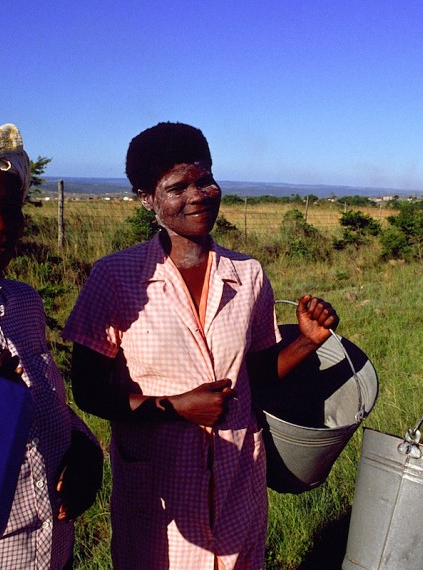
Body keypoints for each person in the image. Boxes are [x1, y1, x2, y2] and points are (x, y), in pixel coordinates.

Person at [63, 121, 339, 570]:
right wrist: (173, 406)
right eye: (178, 187)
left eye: (205, 179)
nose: (199, 194)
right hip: (159, 490)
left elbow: (256, 376)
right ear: (146, 198)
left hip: (238, 485)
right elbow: (89, 391)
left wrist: (307, 343)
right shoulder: (114, 278)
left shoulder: (248, 274)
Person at [0, 124, 103, 569]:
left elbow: (48, 401)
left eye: (8, 206)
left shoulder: (22, 302)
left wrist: (83, 448)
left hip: (49, 548)